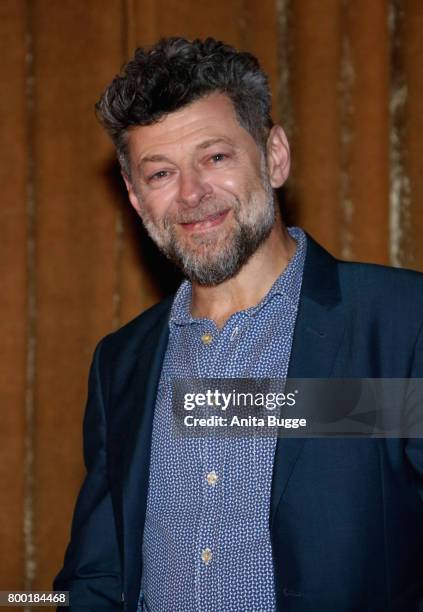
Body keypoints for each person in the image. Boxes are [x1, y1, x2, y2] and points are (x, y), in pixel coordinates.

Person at [54, 37, 423, 611]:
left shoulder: (401, 324)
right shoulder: (120, 364)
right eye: (160, 173)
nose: (192, 193)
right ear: (133, 195)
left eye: (216, 157)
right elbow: (98, 576)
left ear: (274, 156)